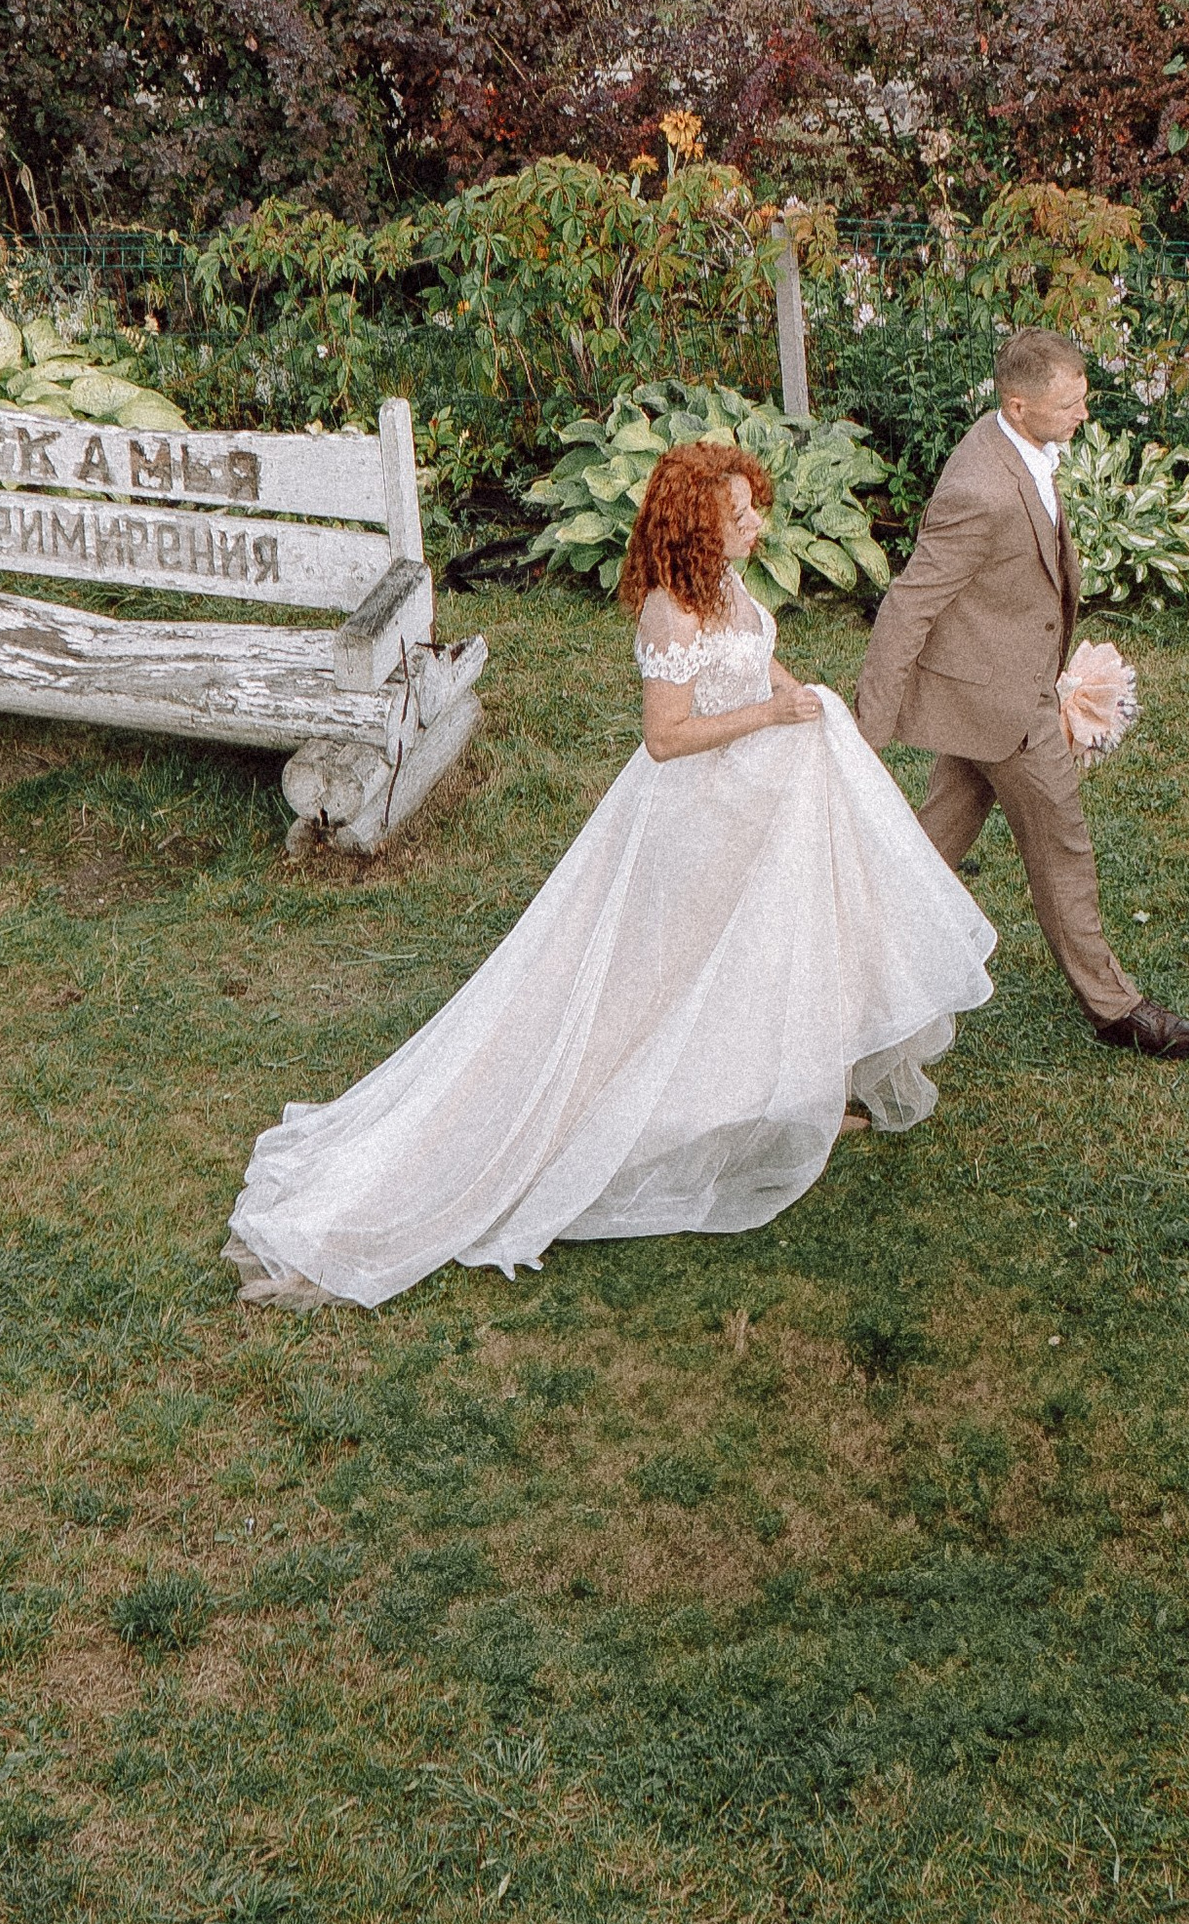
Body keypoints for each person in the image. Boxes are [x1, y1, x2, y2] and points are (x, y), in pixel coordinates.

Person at [224, 437, 997, 1310]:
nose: (756, 525)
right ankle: (565, 1137)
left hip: (752, 804)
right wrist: (769, 713)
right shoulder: (670, 614)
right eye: (737, 515)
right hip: (695, 819)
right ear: (695, 529)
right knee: (657, 983)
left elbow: (753, 660)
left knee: (758, 957)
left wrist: (798, 701)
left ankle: (783, 1101)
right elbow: (664, 739)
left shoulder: (728, 589)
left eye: (755, 509)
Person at [856, 326, 1189, 1058]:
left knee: (928, 849)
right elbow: (909, 604)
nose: (1083, 415)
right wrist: (868, 731)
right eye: (1070, 405)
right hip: (1005, 709)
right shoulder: (979, 488)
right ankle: (1118, 1009)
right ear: (1018, 406)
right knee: (1063, 845)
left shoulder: (1016, 447)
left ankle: (845, 953)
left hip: (989, 695)